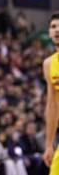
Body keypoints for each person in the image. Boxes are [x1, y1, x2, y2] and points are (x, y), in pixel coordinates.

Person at [43, 12, 59, 172]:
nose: (57, 30)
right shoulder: (49, 64)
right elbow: (53, 105)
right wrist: (49, 144)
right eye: (54, 27)